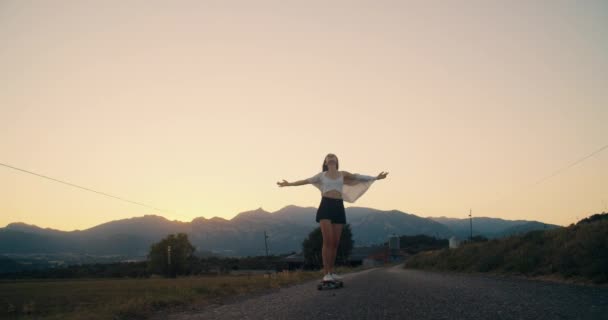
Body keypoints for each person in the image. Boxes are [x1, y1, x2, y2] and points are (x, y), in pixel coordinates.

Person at [277, 153, 388, 282]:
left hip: (338, 207)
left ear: (336, 160)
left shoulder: (343, 174)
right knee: (328, 241)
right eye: (328, 156)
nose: (330, 157)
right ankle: (325, 273)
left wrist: (376, 177)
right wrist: (289, 184)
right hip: (326, 206)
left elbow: (358, 177)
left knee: (335, 243)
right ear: (325, 162)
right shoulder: (321, 176)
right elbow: (305, 181)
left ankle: (331, 271)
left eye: (333, 156)